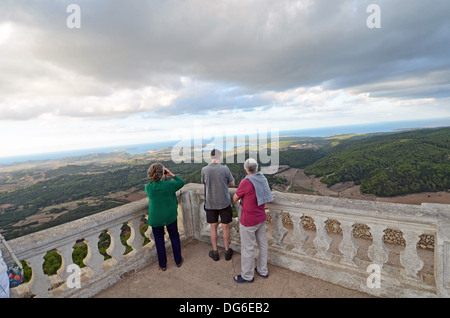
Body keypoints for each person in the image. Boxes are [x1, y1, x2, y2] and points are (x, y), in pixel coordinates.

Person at [233, 158, 273, 283]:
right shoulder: (263, 178)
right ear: (257, 168)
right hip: (261, 217)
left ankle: (247, 276)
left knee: (247, 248)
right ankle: (262, 270)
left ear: (245, 170)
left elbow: (235, 198)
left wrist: (241, 201)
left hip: (249, 220)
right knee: (263, 244)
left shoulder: (246, 182)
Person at [145, 163, 185, 271]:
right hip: (170, 216)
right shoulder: (169, 185)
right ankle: (178, 261)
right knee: (174, 238)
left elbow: (153, 184)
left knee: (159, 241)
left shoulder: (148, 187)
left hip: (156, 219)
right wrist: (171, 174)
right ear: (162, 173)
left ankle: (163, 265)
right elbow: (181, 182)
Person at [201, 149, 235, 261]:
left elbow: (205, 183)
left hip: (210, 202)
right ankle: (227, 251)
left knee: (213, 227)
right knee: (225, 227)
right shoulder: (225, 169)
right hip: (224, 202)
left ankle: (215, 252)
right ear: (220, 157)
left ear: (211, 157)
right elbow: (232, 184)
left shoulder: (204, 169)